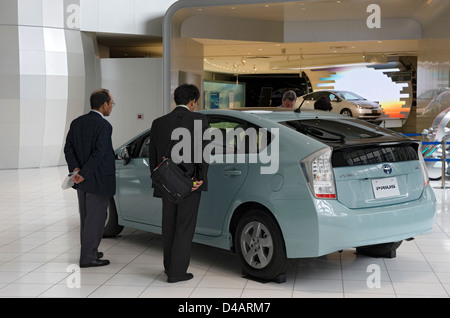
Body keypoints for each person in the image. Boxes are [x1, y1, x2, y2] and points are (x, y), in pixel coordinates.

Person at [149, 83, 209, 283]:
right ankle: (178, 272)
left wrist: (159, 181)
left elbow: (153, 156)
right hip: (190, 184)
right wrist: (200, 178)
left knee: (169, 226)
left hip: (167, 183)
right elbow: (204, 153)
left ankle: (169, 267)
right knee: (184, 227)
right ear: (192, 101)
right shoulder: (199, 120)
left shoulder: (158, 123)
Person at [64, 89, 116, 268]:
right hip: (97, 180)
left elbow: (68, 148)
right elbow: (100, 153)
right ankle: (88, 257)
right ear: (104, 105)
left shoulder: (77, 122)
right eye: (111, 104)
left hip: (81, 181)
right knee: (97, 219)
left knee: (87, 218)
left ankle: (90, 250)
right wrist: (84, 173)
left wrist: (76, 170)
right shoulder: (104, 126)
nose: (111, 107)